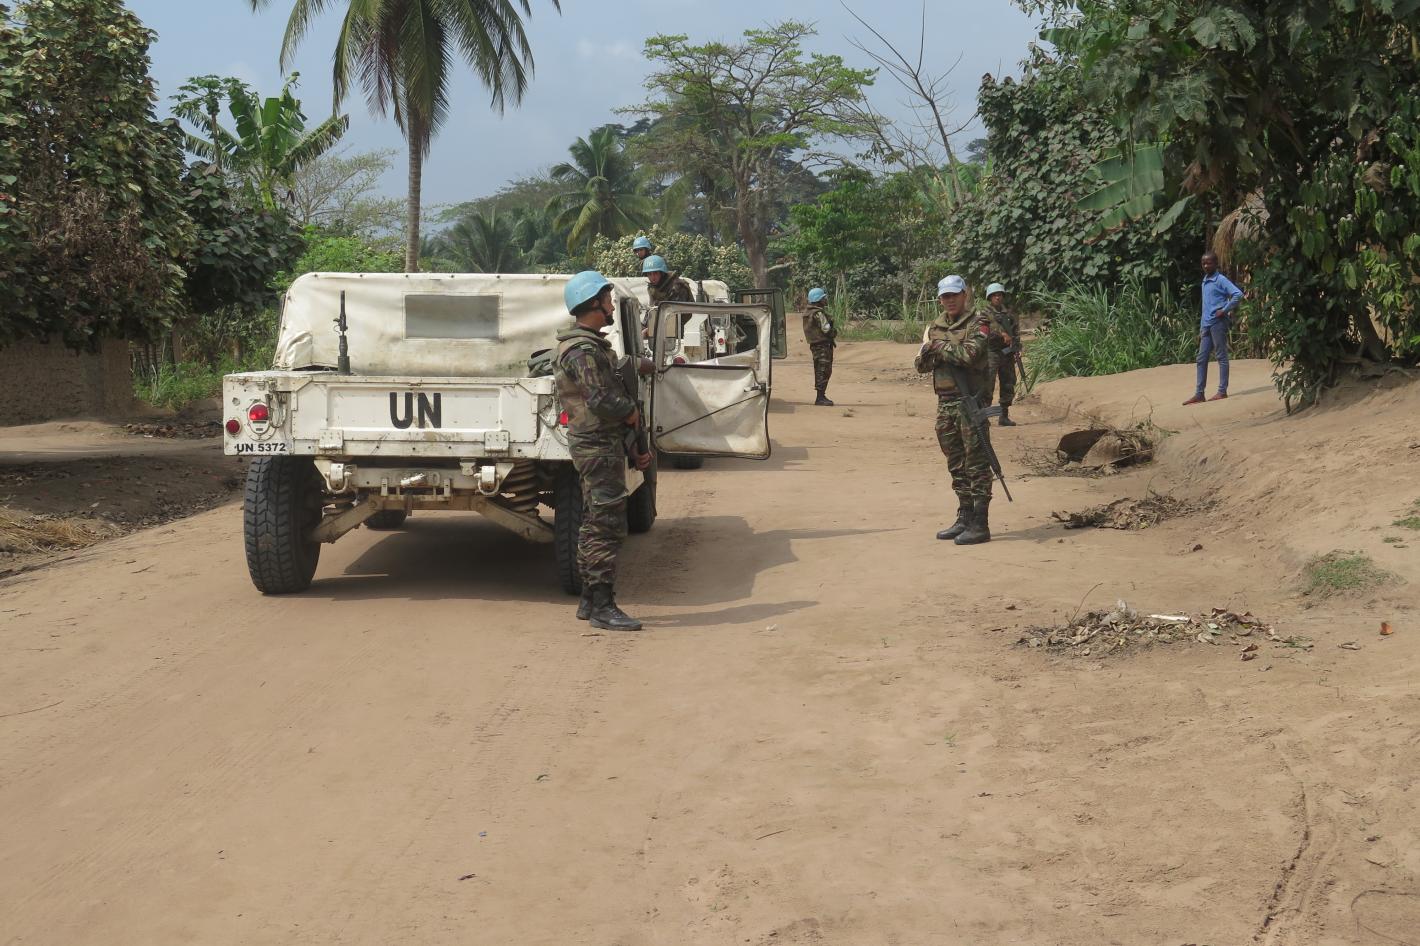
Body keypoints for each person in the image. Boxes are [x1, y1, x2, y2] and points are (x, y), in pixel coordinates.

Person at [553, 271, 652, 631]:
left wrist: (633, 440)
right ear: (593, 303)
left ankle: (589, 600)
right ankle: (603, 606)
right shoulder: (583, 350)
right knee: (606, 526)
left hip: (600, 443)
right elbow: (602, 400)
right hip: (597, 445)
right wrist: (630, 412)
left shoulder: (589, 346)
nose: (611, 306)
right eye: (608, 300)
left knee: (594, 520)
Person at [915, 275, 996, 545]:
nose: (949, 300)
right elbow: (921, 365)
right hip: (945, 403)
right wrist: (934, 351)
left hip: (970, 402)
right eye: (945, 296)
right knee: (956, 463)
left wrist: (937, 347)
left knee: (977, 463)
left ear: (964, 295)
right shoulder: (935, 326)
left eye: (954, 295)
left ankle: (980, 523)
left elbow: (968, 355)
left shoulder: (979, 322)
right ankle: (965, 516)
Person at [1184, 251, 1244, 405]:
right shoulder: (1205, 280)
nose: (1206, 266)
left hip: (1218, 323)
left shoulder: (1220, 280)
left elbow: (1238, 294)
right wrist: (1201, 327)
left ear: (1216, 264)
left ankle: (1222, 391)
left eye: (1209, 263)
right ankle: (1199, 394)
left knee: (1221, 356)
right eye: (1203, 263)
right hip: (1206, 324)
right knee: (1201, 358)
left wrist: (1224, 309)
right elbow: (1206, 306)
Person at [983, 282, 1019, 426]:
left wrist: (1016, 347)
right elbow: (984, 329)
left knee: (1008, 383)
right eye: (994, 295)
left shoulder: (1008, 314)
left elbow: (1015, 331)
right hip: (991, 352)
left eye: (999, 295)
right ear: (989, 297)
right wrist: (1001, 333)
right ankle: (984, 417)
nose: (997, 297)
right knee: (987, 384)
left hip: (1006, 353)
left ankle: (1004, 416)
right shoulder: (985, 313)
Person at [803, 287, 837, 406]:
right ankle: (820, 397)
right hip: (823, 345)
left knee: (819, 368)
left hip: (815, 345)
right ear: (818, 300)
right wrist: (833, 333)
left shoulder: (808, 312)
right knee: (824, 369)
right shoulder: (818, 313)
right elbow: (826, 329)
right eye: (823, 298)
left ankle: (820, 396)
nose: (825, 300)